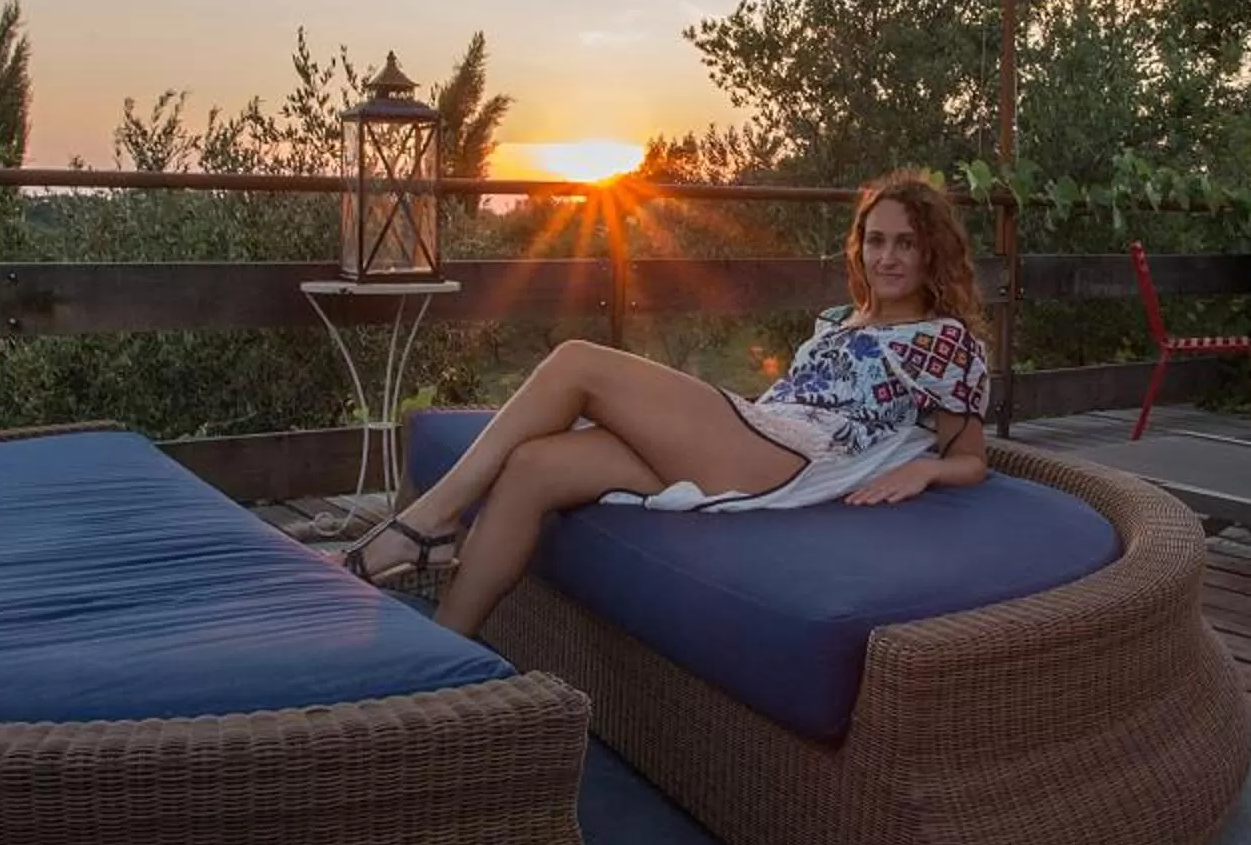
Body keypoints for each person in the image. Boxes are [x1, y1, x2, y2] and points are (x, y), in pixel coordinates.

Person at [343, 168, 995, 637]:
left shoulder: (946, 342)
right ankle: (444, 657)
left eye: (904, 243)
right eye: (875, 240)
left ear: (930, 250)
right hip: (761, 429)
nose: (886, 257)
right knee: (536, 468)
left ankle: (425, 524)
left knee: (576, 360)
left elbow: (971, 458)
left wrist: (927, 467)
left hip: (791, 461)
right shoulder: (838, 320)